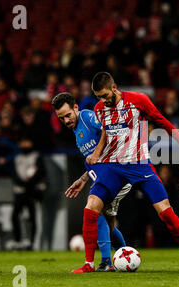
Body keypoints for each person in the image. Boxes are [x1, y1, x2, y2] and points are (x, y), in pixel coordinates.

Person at [87, 71, 179, 272]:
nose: (102, 100)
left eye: (105, 95)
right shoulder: (99, 109)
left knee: (165, 211)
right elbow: (105, 135)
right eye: (99, 96)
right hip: (114, 166)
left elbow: (161, 121)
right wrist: (96, 154)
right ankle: (90, 264)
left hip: (140, 165)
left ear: (114, 87)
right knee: (92, 207)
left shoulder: (138, 100)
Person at [52, 92, 130, 272]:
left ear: (76, 108)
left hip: (117, 170)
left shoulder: (87, 117)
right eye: (61, 118)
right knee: (105, 221)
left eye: (68, 115)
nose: (66, 120)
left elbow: (109, 128)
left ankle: (105, 262)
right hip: (104, 175)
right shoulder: (76, 131)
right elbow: (92, 159)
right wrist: (83, 178)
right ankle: (124, 256)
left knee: (97, 211)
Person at [10, 136, 46, 250]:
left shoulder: (36, 156)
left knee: (32, 217)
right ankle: (18, 241)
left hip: (32, 191)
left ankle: (32, 242)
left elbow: (41, 172)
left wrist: (28, 184)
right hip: (20, 191)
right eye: (23, 143)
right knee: (15, 216)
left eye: (27, 142)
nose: (25, 145)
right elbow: (14, 174)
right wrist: (22, 183)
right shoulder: (17, 158)